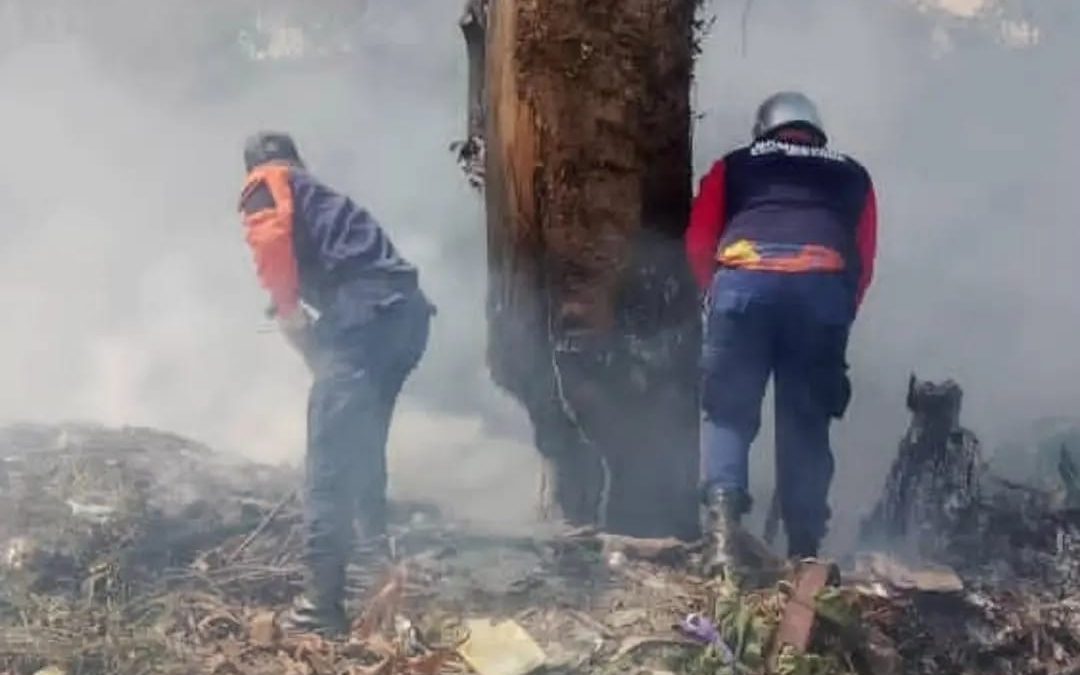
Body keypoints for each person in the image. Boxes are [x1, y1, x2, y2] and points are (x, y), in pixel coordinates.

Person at [237, 132, 434, 635]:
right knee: (363, 446)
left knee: (329, 462)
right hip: (406, 318)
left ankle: (320, 607)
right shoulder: (322, 202)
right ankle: (376, 573)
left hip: (366, 317)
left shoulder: (268, 181)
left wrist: (287, 309)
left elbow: (270, 239)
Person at [685, 92, 877, 569]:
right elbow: (863, 257)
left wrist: (716, 296)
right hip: (821, 293)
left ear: (763, 130)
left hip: (743, 288)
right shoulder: (853, 174)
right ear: (816, 133)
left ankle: (723, 536)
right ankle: (805, 550)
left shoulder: (734, 165)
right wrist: (839, 314)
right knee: (806, 424)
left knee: (729, 413)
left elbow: (700, 239)